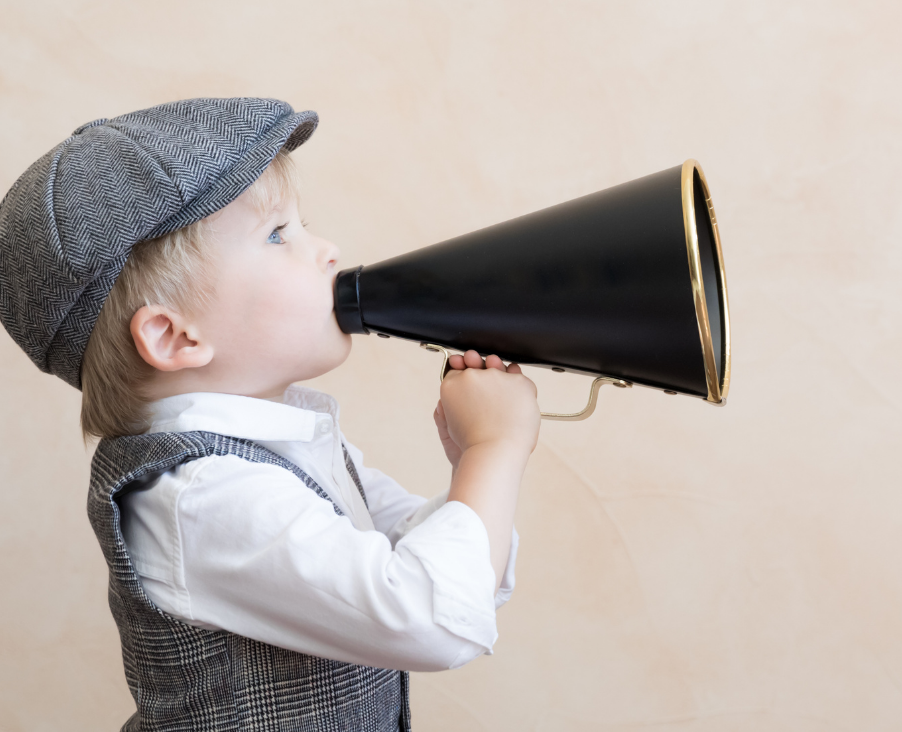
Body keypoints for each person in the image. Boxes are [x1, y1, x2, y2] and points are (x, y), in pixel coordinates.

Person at [0, 97, 541, 732]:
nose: (328, 251)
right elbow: (431, 618)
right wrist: (493, 452)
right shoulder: (199, 496)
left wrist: (468, 470)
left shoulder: (288, 444)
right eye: (278, 235)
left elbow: (436, 564)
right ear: (175, 337)